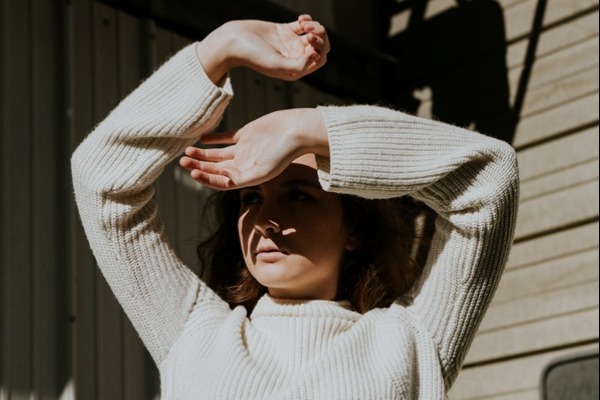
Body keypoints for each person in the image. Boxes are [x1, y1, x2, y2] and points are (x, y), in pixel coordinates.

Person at [72, 14, 519, 399]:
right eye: (251, 197)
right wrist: (221, 48)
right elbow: (101, 178)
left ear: (354, 229)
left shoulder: (411, 340)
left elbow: (490, 177)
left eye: (299, 196)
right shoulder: (195, 334)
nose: (265, 221)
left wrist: (309, 128)